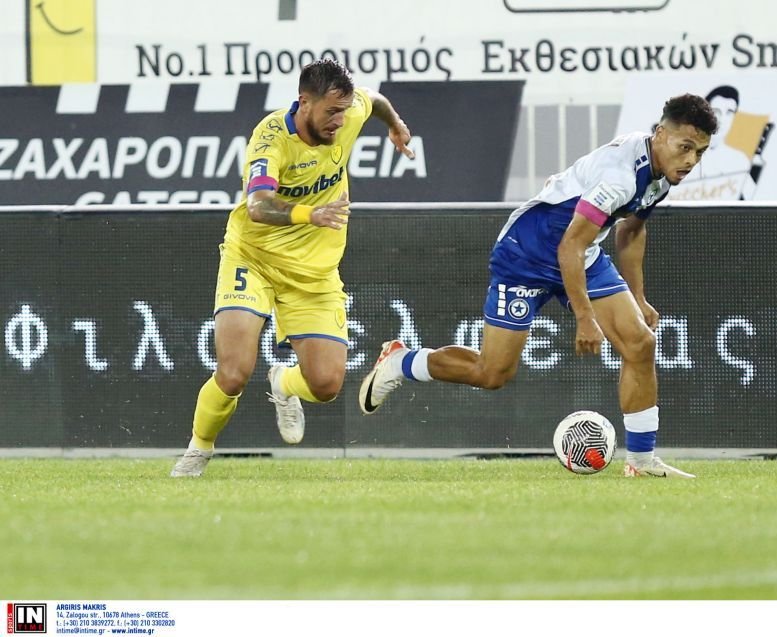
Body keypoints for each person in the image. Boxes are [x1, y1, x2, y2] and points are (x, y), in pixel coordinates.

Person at [359, 94, 717, 478]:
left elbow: (630, 230)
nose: (691, 161)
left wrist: (638, 297)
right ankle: (402, 361)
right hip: (526, 256)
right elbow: (569, 246)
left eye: (700, 152)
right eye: (685, 148)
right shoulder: (620, 178)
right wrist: (585, 318)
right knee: (492, 373)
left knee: (640, 343)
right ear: (660, 134)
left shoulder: (659, 173)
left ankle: (642, 462)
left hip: (582, 255)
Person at [171, 59, 413, 477]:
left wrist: (396, 124)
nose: (340, 121)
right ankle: (198, 449)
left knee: (326, 385)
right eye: (331, 112)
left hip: (314, 274)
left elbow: (373, 100)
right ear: (304, 102)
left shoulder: (349, 113)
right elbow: (258, 205)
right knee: (233, 373)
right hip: (254, 259)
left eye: (344, 111)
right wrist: (310, 214)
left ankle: (283, 382)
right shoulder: (270, 139)